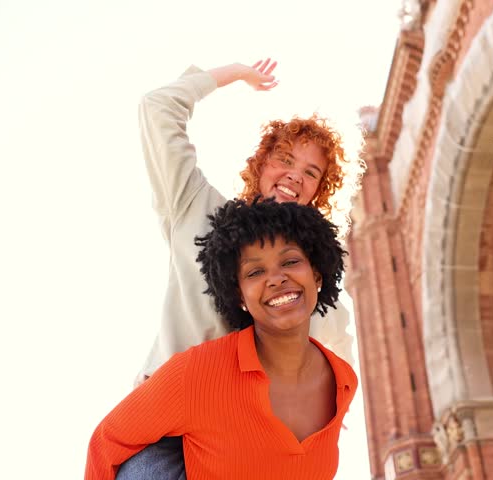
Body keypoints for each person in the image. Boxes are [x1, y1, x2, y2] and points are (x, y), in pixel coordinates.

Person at [120, 59, 361, 479]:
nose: (294, 176)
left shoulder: (321, 300)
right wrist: (232, 73)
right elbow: (157, 108)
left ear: (319, 193)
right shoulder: (198, 209)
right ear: (261, 162)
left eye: (311, 172)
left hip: (249, 454)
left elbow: (334, 386)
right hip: (166, 434)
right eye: (285, 159)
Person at [86, 198, 358, 480]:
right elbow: (106, 443)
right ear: (239, 295)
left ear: (316, 275)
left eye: (290, 261)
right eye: (255, 272)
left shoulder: (343, 381)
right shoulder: (196, 373)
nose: (276, 279)